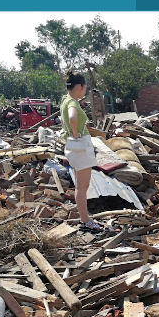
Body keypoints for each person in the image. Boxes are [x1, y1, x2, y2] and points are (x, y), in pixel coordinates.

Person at [60, 71, 105, 233]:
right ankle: (86, 221)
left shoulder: (65, 100)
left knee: (80, 186)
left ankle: (84, 218)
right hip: (80, 147)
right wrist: (76, 133)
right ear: (79, 87)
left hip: (73, 147)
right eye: (85, 88)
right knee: (82, 186)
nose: (85, 91)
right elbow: (73, 118)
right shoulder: (72, 102)